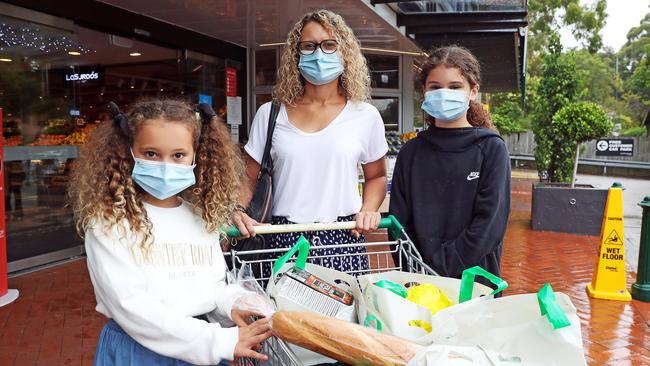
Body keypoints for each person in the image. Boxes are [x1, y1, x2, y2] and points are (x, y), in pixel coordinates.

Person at [68, 99, 272, 366]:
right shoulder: (109, 222)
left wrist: (236, 301)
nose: (166, 166)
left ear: (196, 156)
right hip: (139, 352)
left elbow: (211, 287)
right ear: (127, 152)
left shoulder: (201, 217)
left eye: (178, 155)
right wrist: (219, 341)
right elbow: (133, 308)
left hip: (201, 348)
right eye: (151, 154)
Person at [232, 10, 388, 277]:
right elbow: (247, 176)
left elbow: (377, 177)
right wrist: (236, 210)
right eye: (309, 46)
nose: (319, 54)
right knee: (284, 318)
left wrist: (368, 211)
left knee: (341, 318)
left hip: (342, 238)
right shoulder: (271, 114)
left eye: (329, 45)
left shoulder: (365, 115)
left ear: (345, 52)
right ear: (296, 54)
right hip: (282, 237)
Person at [389, 46, 511, 288]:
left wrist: (439, 268)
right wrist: (414, 272)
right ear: (424, 91)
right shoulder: (410, 152)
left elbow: (489, 224)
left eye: (455, 87)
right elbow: (399, 224)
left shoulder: (490, 149)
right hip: (419, 282)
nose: (444, 93)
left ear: (473, 91)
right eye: (435, 87)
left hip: (474, 284)